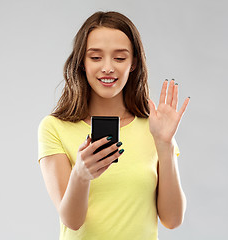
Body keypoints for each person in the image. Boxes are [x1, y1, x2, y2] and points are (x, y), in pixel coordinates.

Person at [38, 11, 190, 240]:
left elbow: (172, 219)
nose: (108, 68)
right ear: (81, 62)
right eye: (96, 57)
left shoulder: (154, 127)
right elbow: (72, 221)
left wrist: (165, 144)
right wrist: (81, 174)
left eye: (119, 58)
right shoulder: (54, 127)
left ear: (133, 63)